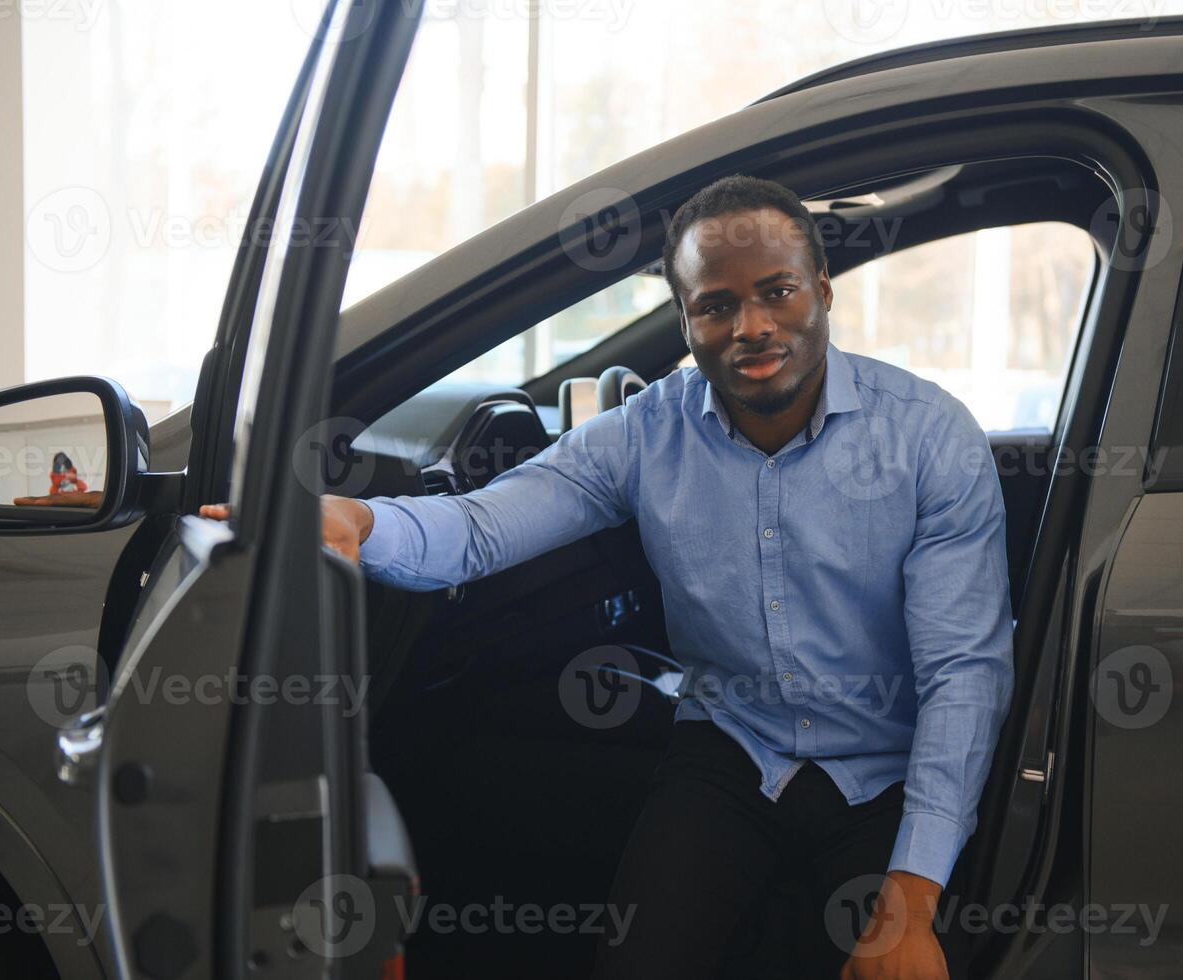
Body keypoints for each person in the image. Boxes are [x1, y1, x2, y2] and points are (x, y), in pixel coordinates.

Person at [204, 175, 1013, 979]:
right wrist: (359, 519)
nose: (752, 327)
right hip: (735, 751)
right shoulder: (645, 433)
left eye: (778, 292)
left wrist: (909, 905)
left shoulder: (926, 437)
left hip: (887, 768)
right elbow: (482, 527)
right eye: (716, 305)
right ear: (686, 319)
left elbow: (962, 675)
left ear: (823, 292)